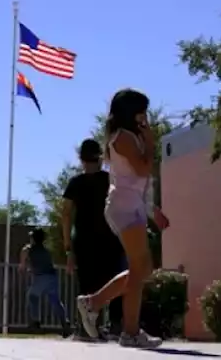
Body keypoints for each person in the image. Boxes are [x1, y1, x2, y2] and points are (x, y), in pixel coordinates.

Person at [74, 89, 169, 349]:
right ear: (130, 111)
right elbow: (143, 168)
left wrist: (152, 208)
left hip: (133, 203)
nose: (145, 116)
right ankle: (129, 331)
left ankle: (92, 302)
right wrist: (149, 140)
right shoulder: (123, 138)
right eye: (141, 111)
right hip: (124, 205)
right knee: (140, 268)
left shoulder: (130, 136)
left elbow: (142, 178)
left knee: (143, 269)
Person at [61, 139, 124, 339]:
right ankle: (114, 325)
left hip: (84, 240)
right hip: (109, 238)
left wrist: (68, 248)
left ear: (81, 159)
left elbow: (66, 214)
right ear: (100, 157)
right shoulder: (109, 180)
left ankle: (87, 329)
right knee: (114, 280)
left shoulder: (75, 183)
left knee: (87, 283)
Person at [19, 228, 70, 336]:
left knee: (32, 296)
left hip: (42, 277)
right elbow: (43, 264)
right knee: (55, 301)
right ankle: (65, 323)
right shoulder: (46, 251)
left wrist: (22, 265)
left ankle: (35, 321)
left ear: (33, 239)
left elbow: (24, 253)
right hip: (52, 277)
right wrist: (32, 269)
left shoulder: (29, 249)